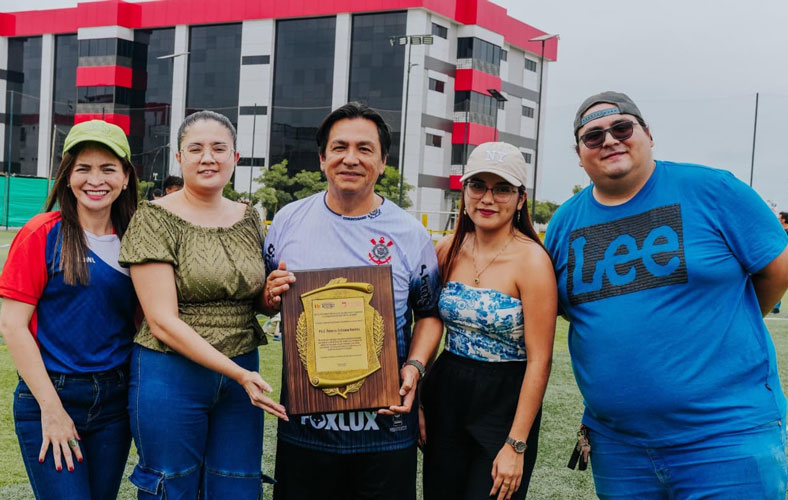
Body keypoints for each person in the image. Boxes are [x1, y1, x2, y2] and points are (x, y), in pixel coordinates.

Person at [545, 91, 788, 499]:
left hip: (725, 437)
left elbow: (781, 269)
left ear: (647, 134)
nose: (609, 140)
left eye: (621, 127)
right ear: (579, 154)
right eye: (593, 136)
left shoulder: (712, 189)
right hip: (618, 446)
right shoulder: (564, 222)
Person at [264, 102, 442, 500]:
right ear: (322, 158)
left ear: (382, 162)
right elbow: (264, 300)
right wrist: (268, 294)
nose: (350, 158)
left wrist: (414, 367)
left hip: (385, 426)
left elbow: (429, 314)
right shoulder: (287, 222)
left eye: (365, 149)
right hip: (306, 427)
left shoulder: (411, 234)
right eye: (339, 147)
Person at [119, 110, 286, 498]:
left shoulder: (251, 219)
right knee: (171, 484)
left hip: (243, 367)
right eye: (195, 149)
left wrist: (271, 297)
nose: (207, 157)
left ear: (235, 158)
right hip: (171, 370)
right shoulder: (154, 217)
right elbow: (161, 320)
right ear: (179, 158)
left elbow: (251, 300)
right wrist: (238, 374)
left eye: (218, 148)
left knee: (237, 485)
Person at [0, 120, 138, 499]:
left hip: (115, 401)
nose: (96, 180)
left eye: (108, 168)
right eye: (84, 169)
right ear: (67, 177)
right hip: (52, 393)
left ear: (126, 177)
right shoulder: (41, 233)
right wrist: (52, 409)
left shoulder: (138, 238)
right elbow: (13, 326)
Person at [421, 142, 556, 500]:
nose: (487, 198)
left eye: (502, 189)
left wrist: (516, 443)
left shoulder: (533, 261)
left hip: (505, 399)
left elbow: (540, 359)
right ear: (464, 191)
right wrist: (419, 400)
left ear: (521, 198)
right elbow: (427, 324)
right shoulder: (447, 249)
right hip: (446, 392)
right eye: (478, 185)